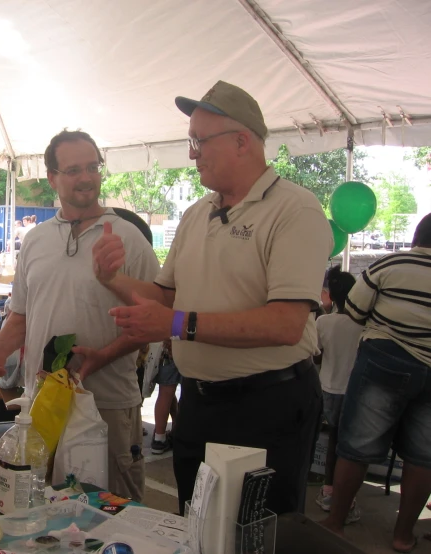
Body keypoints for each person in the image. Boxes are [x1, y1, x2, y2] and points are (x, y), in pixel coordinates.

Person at [92, 80, 332, 516]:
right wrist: (113, 279)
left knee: (257, 533)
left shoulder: (294, 210)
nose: (191, 153)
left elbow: (285, 324)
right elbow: (164, 297)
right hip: (200, 403)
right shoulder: (196, 214)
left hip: (267, 406)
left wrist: (178, 325)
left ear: (242, 141)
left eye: (199, 141)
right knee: (198, 525)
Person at [0, 129, 160, 502]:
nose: (86, 177)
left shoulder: (129, 238)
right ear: (52, 178)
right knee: (40, 510)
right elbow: (22, 315)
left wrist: (103, 357)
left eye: (92, 167)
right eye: (74, 169)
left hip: (106, 405)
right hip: (42, 405)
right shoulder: (35, 240)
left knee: (114, 512)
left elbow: (156, 321)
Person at [322, 213, 431, 553]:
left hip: (384, 360)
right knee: (423, 456)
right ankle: (402, 536)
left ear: (416, 237)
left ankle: (336, 523)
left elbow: (354, 309)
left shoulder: (391, 263)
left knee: (356, 447)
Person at [313, 266, 362, 522]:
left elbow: (316, 354)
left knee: (333, 440)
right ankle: (347, 499)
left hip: (328, 389)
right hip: (356, 392)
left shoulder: (324, 321)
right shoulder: (363, 324)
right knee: (351, 448)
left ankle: (329, 490)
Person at [151, 341, 180, 455]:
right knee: (188, 393)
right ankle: (180, 433)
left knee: (165, 394)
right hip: (189, 350)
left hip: (167, 349)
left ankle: (159, 438)